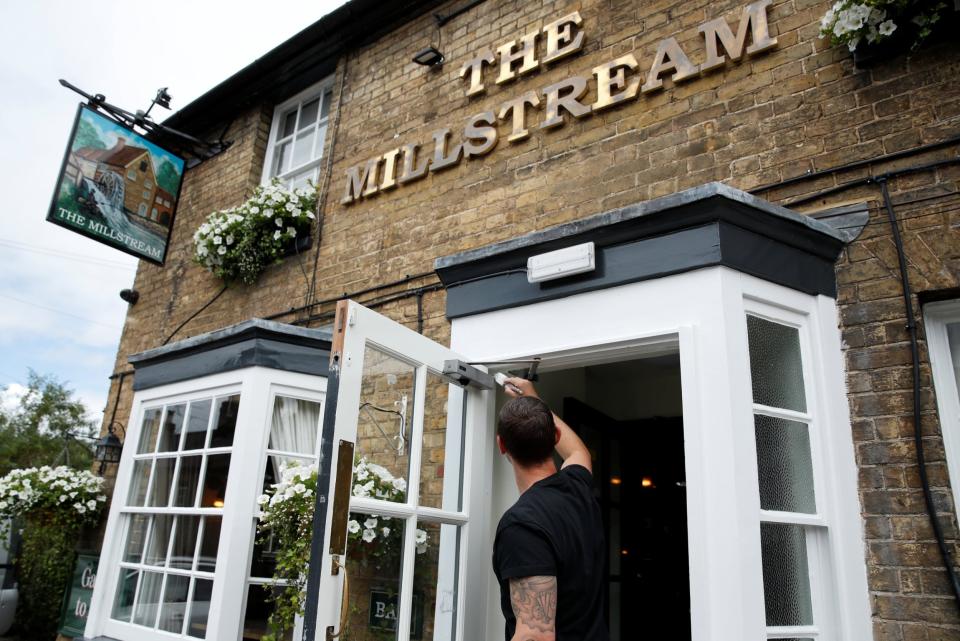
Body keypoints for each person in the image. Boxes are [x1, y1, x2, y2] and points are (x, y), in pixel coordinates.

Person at [492, 377, 608, 641]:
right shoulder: (577, 487)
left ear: (502, 445)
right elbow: (577, 451)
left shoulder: (522, 525)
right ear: (554, 435)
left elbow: (535, 636)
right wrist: (535, 400)